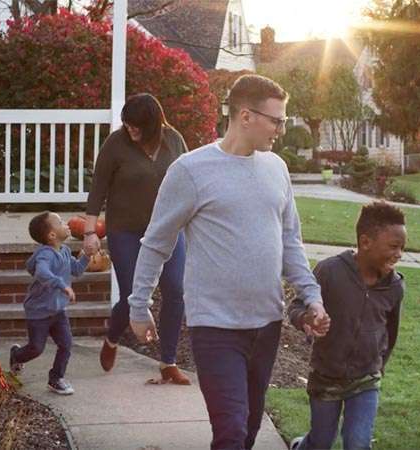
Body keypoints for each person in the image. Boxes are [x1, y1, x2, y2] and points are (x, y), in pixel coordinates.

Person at [127, 74, 331, 450]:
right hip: (216, 327)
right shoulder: (191, 171)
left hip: (267, 324)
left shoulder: (276, 169)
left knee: (249, 429)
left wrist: (312, 297)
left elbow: (290, 242)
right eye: (277, 120)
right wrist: (139, 306)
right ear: (245, 116)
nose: (282, 130)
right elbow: (157, 242)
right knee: (231, 433)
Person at [82, 93, 191, 384]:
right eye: (127, 125)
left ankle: (168, 362)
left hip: (168, 230)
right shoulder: (116, 144)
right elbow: (98, 188)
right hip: (126, 231)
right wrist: (90, 231)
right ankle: (113, 337)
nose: (130, 130)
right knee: (133, 294)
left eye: (136, 126)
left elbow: (191, 182)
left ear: (153, 124)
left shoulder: (174, 140)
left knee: (175, 290)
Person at [288, 202, 407, 450]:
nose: (399, 254)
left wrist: (380, 365)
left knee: (358, 443)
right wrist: (307, 319)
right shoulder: (330, 271)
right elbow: (296, 307)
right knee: (321, 442)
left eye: (402, 247)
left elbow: (391, 333)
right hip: (326, 375)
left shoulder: (394, 286)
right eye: (393, 247)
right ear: (365, 242)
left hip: (366, 378)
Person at [9, 211, 89, 395]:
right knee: (36, 348)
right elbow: (42, 273)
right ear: (52, 235)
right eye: (60, 222)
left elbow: (76, 270)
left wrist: (86, 256)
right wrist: (62, 286)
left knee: (66, 344)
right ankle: (17, 355)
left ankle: (56, 379)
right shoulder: (44, 255)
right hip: (38, 311)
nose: (67, 223)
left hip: (58, 311)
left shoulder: (65, 251)